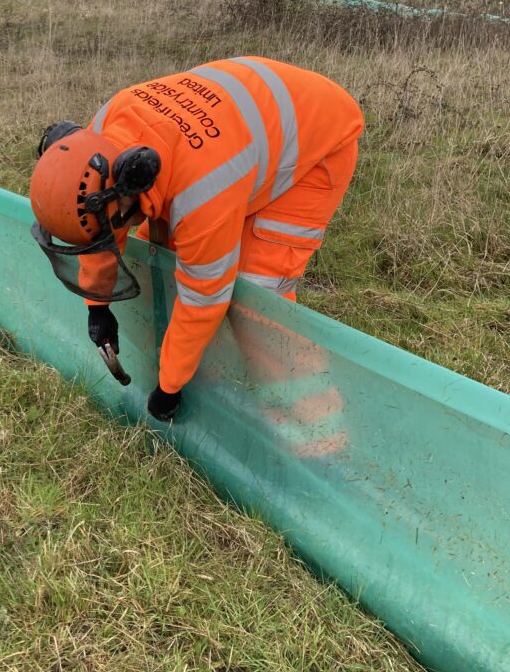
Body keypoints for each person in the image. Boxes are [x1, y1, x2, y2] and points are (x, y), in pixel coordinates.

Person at [30, 55, 363, 423]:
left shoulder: (204, 190)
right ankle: (210, 368)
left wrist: (169, 386)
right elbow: (105, 228)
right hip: (246, 120)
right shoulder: (98, 139)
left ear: (131, 182)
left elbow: (204, 296)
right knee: (164, 247)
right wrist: (98, 305)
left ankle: (314, 423)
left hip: (318, 133)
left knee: (256, 294)